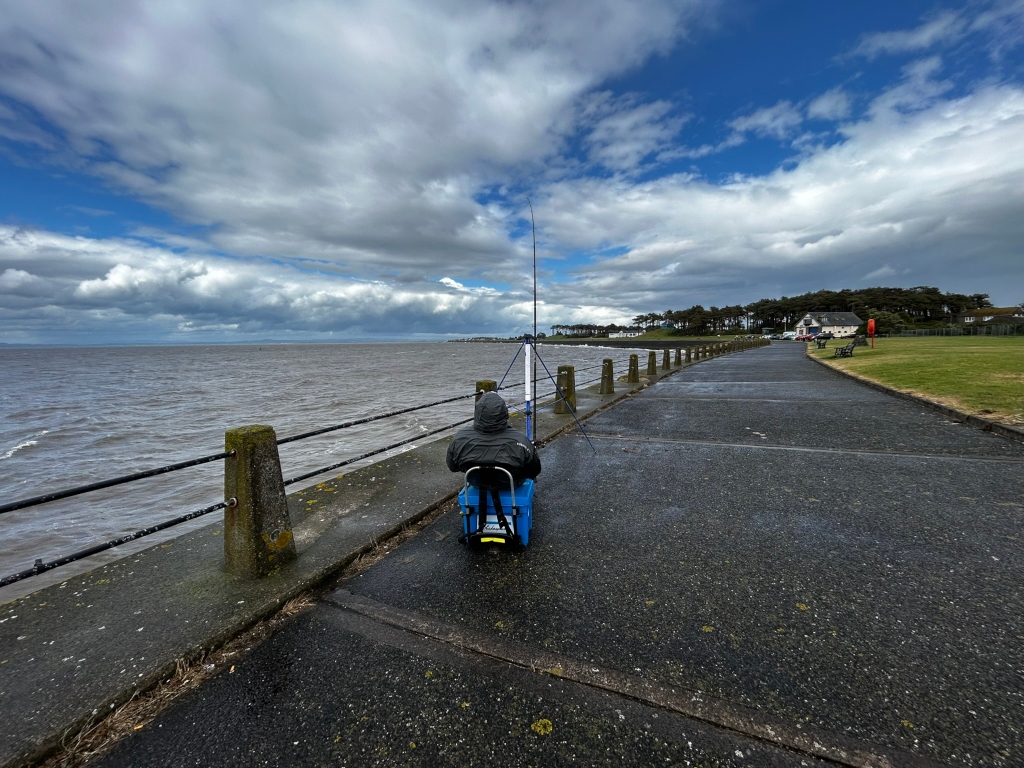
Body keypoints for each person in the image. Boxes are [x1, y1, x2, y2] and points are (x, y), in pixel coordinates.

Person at [446, 391, 541, 485]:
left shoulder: (459, 438)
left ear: (477, 412)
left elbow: (453, 467)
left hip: (477, 483)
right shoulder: (520, 440)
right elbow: (534, 470)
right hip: (510, 484)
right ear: (504, 412)